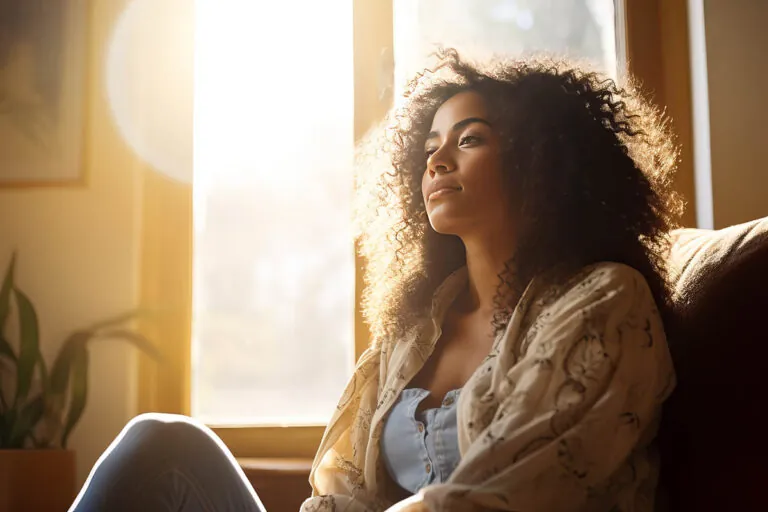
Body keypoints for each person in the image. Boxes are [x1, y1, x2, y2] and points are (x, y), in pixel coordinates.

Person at [70, 49, 682, 512]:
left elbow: (508, 490)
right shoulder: (416, 333)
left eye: (470, 140)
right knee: (161, 444)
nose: (437, 161)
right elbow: (342, 494)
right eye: (429, 148)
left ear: (542, 164)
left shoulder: (604, 300)